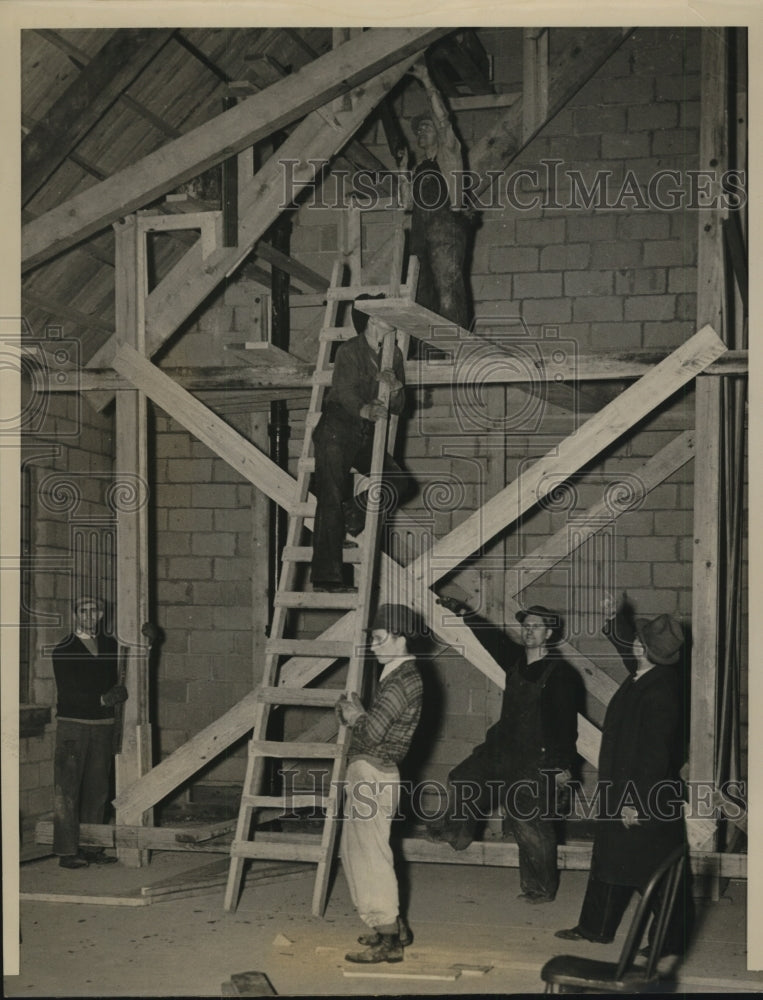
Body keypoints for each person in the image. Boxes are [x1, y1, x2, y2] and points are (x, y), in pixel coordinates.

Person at [555, 599, 692, 957]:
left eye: (639, 639)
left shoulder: (661, 691)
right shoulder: (646, 674)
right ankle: (595, 928)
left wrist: (637, 802)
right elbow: (626, 645)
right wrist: (614, 617)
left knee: (655, 873)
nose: (633, 641)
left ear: (646, 651)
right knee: (609, 856)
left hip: (644, 794)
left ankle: (669, 941)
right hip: (622, 788)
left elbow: (656, 754)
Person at [428, 601, 580, 904]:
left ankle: (540, 889)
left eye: (536, 626)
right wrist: (463, 613)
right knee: (463, 777)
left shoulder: (562, 675)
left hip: (536, 760)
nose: (529, 631)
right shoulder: (516, 660)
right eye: (526, 625)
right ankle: (456, 832)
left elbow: (566, 727)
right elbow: (492, 638)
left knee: (529, 825)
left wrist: (561, 768)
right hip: (502, 749)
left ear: (549, 633)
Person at [337, 603, 424, 964]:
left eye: (378, 638)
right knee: (357, 852)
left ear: (400, 638)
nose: (372, 645)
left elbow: (372, 731)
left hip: (374, 776)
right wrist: (358, 713)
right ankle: (388, 926)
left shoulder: (403, 679)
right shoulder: (394, 675)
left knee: (371, 856)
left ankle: (390, 941)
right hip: (370, 773)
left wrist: (356, 716)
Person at [310, 294, 411, 592]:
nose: (391, 320)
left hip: (362, 434)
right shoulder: (350, 351)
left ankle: (350, 515)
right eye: (384, 314)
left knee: (398, 482)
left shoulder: (393, 355)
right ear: (371, 319)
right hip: (336, 429)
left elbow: (400, 405)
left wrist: (394, 388)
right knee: (329, 496)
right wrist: (366, 409)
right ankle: (327, 579)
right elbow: (343, 392)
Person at [52, 595, 127, 868]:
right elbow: (68, 692)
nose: (90, 615)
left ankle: (92, 847)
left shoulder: (109, 644)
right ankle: (67, 851)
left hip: (102, 726)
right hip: (73, 725)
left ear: (100, 614)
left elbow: (117, 678)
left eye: (95, 610)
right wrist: (102, 700)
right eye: (84, 610)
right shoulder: (64, 648)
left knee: (98, 789)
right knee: (68, 787)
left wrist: (115, 698)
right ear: (75, 614)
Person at [399, 61, 474, 330]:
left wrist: (427, 80)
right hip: (421, 233)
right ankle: (427, 352)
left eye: (425, 127)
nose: (420, 131)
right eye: (417, 129)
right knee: (421, 296)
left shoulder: (448, 155)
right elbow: (407, 205)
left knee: (447, 293)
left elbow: (444, 121)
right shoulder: (419, 168)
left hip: (446, 228)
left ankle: (455, 349)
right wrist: (403, 174)